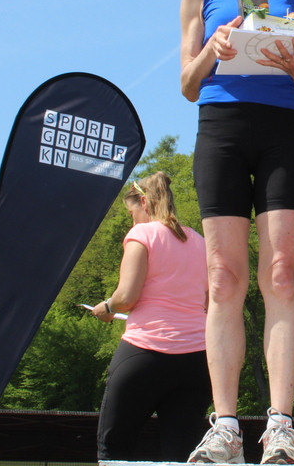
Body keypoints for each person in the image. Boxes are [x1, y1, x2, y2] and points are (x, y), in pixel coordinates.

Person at [180, 0, 294, 464]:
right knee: (224, 279)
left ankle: (281, 428)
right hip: (222, 131)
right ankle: (227, 429)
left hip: (283, 129)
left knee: (282, 274)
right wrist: (214, 47)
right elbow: (188, 86)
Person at [92, 172, 210, 463]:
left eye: (132, 211)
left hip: (144, 355)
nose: (131, 219)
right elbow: (208, 302)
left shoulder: (140, 235)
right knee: (183, 455)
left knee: (114, 452)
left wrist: (106, 308)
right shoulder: (200, 241)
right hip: (197, 362)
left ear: (143, 202)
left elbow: (127, 297)